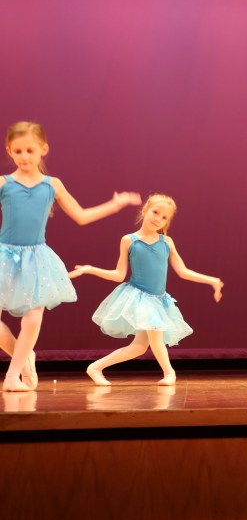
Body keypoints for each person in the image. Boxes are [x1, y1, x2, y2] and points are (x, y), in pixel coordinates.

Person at [0, 121, 141, 392]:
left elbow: (81, 216)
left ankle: (12, 376)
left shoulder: (52, 185)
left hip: (35, 259)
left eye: (30, 150)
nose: (24, 157)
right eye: (18, 151)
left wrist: (115, 204)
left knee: (33, 316)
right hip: (4, 256)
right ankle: (25, 356)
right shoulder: (4, 184)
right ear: (9, 151)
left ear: (43, 149)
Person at [69, 194, 224, 386]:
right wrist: (90, 269)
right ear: (144, 211)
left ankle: (95, 367)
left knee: (139, 347)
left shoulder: (166, 242)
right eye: (155, 212)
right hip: (139, 298)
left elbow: (183, 271)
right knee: (156, 331)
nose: (158, 218)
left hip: (158, 299)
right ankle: (169, 373)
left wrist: (212, 280)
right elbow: (118, 274)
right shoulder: (129, 240)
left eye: (164, 217)